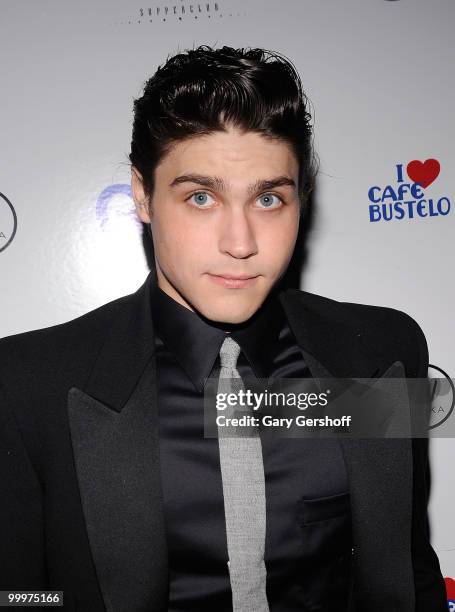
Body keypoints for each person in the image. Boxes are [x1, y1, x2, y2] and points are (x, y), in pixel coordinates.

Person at [0, 45, 447, 612]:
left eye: (267, 198)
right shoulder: (31, 385)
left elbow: (407, 569)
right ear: (142, 194)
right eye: (201, 197)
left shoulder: (381, 352)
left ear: (301, 200)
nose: (240, 243)